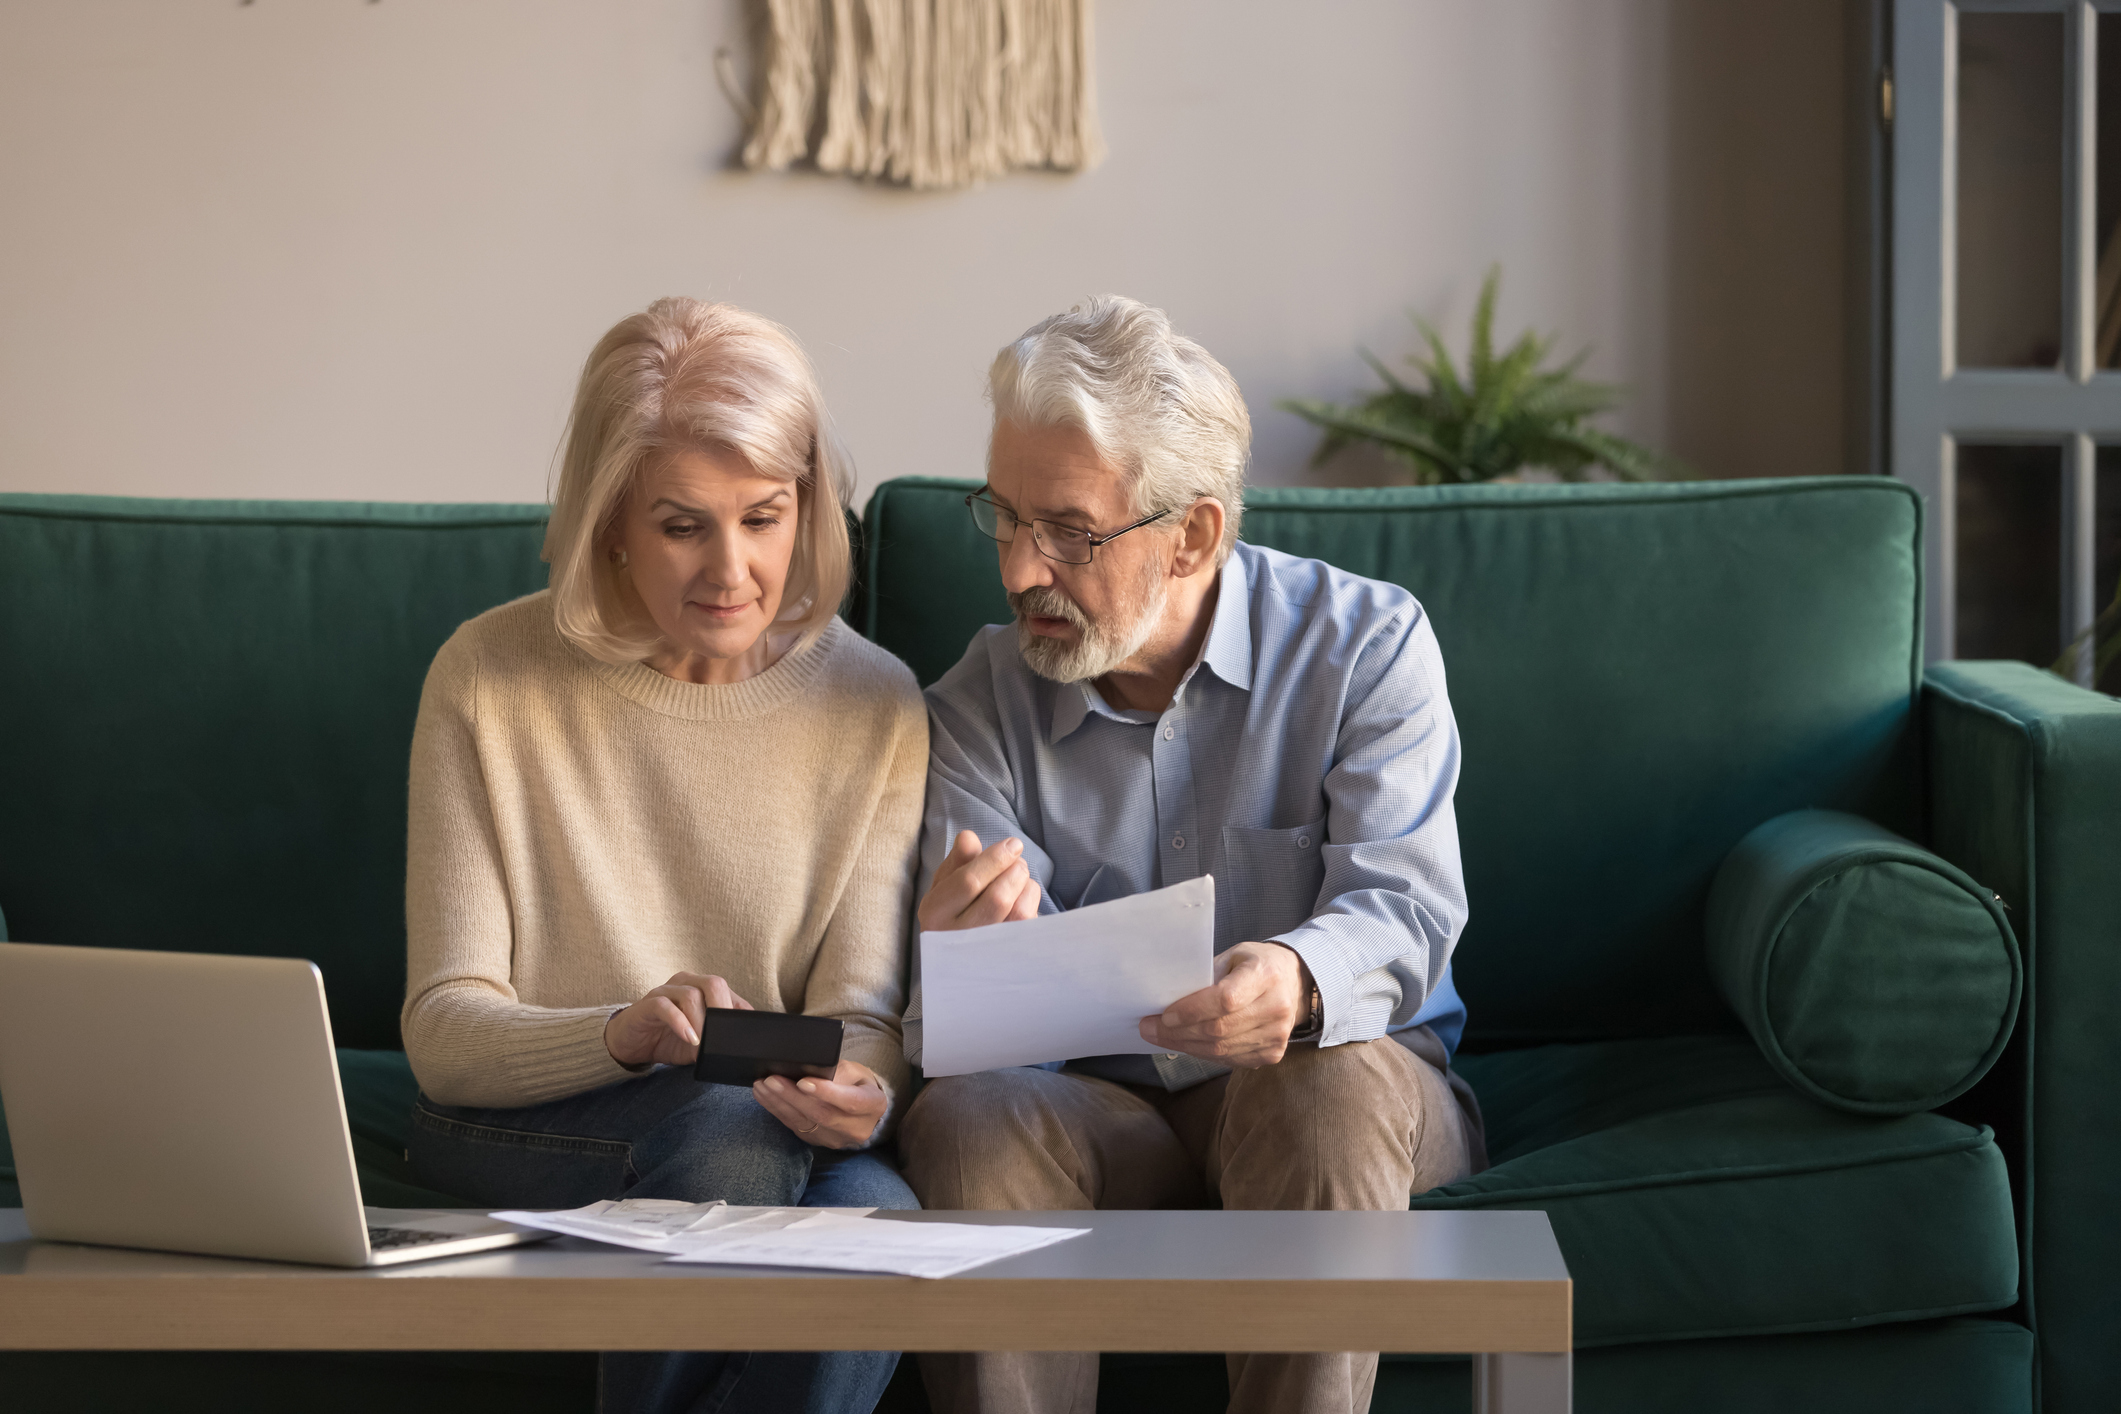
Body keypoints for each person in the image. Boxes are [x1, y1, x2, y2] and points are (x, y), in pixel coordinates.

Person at [897, 296, 1486, 1414]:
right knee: (970, 1119)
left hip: (1344, 1100)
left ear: (1195, 535)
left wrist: (1299, 979)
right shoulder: (976, 700)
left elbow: (1406, 914)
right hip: (1101, 1116)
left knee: (1327, 1081)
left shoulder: (1367, 646)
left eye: (1070, 531)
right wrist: (957, 959)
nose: (1024, 570)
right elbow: (956, 1031)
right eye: (1006, 518)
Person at [401, 297, 925, 1414]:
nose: (733, 569)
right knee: (732, 1133)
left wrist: (865, 1094)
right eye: (684, 524)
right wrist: (621, 1031)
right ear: (611, 525)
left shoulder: (879, 703)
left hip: (769, 1127)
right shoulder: (486, 677)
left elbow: (865, 1018)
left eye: (765, 517)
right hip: (522, 1113)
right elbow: (445, 1032)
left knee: (873, 1208)